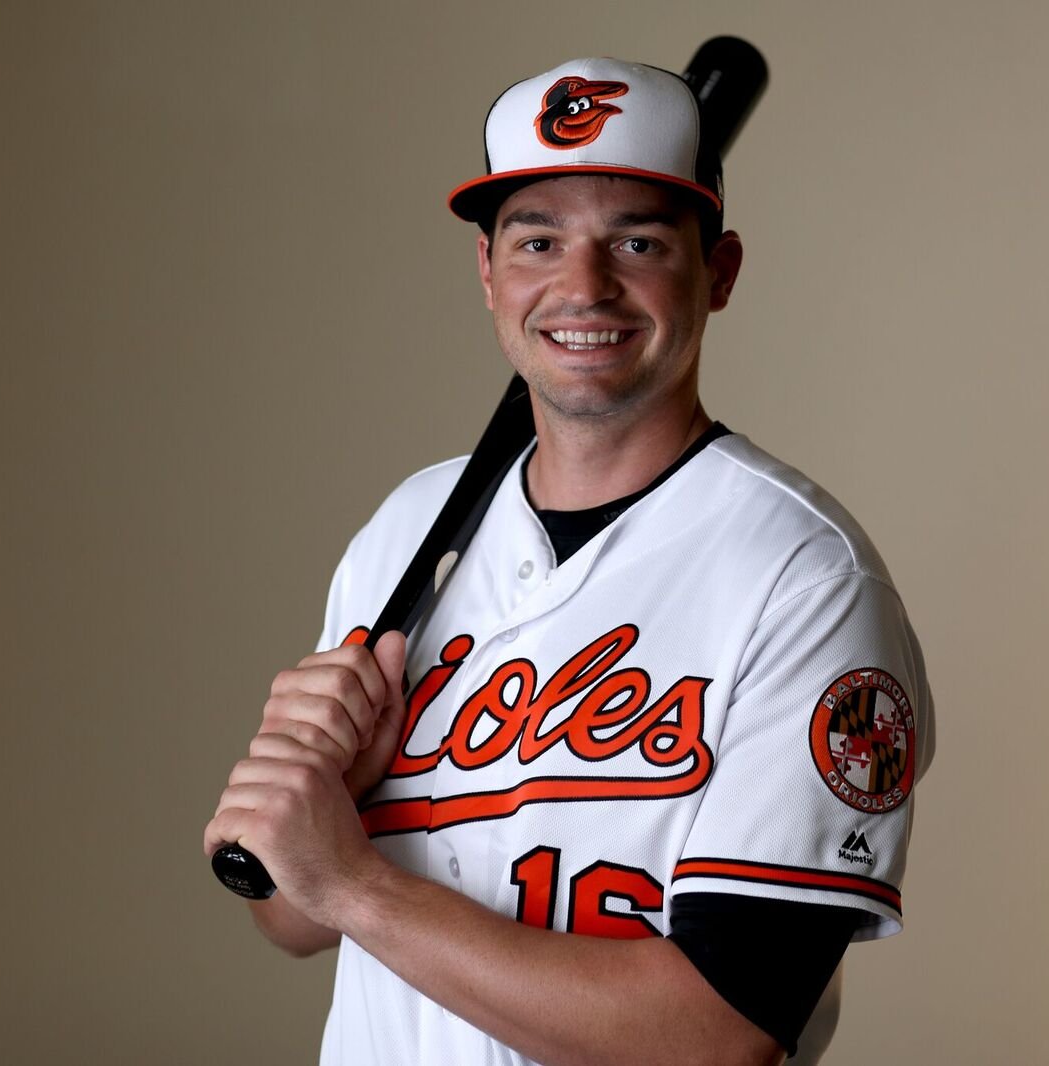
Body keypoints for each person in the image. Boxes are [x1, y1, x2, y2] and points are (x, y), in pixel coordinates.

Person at [203, 56, 934, 1066]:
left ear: (717, 274)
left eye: (635, 241)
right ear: (489, 273)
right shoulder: (406, 530)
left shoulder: (805, 582)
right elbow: (292, 919)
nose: (581, 286)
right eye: (538, 239)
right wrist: (311, 813)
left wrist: (353, 881)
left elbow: (719, 1035)